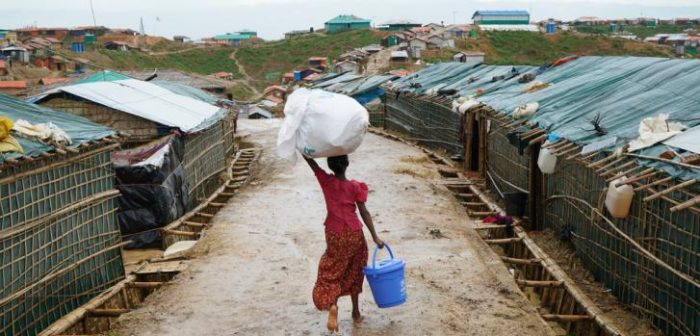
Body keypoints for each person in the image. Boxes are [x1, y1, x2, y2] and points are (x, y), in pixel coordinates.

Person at [303, 154, 384, 333]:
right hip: (355, 233)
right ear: (347, 164)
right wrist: (375, 237)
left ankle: (333, 305)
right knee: (355, 269)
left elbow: (313, 165)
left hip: (334, 233)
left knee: (332, 270)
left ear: (330, 165)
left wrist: (303, 150)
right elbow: (364, 212)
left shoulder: (326, 182)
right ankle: (355, 312)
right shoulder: (355, 187)